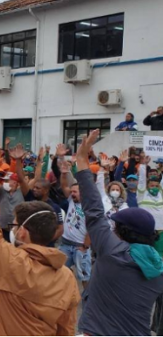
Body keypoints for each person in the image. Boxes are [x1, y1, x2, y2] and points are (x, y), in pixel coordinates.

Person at [0, 125, 80, 335]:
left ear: (23, 232)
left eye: (17, 225)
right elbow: (66, 330)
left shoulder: (10, 260)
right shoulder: (67, 278)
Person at [73, 129, 163, 335]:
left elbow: (94, 211)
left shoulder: (110, 248)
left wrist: (81, 159)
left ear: (121, 231)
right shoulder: (159, 269)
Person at [58, 161, 91, 289]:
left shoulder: (89, 206)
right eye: (71, 192)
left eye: (75, 192)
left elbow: (91, 229)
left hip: (80, 247)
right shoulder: (71, 200)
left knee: (84, 276)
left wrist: (85, 247)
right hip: (65, 245)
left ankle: (88, 299)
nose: (72, 194)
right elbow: (63, 184)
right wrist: (64, 173)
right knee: (59, 272)